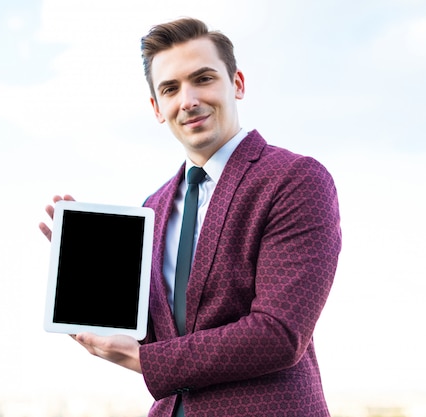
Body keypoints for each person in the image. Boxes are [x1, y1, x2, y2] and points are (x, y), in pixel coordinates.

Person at [39, 17, 341, 417]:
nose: (188, 100)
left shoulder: (295, 180)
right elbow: (160, 335)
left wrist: (147, 362)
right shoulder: (154, 206)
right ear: (157, 108)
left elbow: (279, 334)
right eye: (170, 88)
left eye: (203, 78)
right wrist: (90, 276)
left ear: (237, 83)